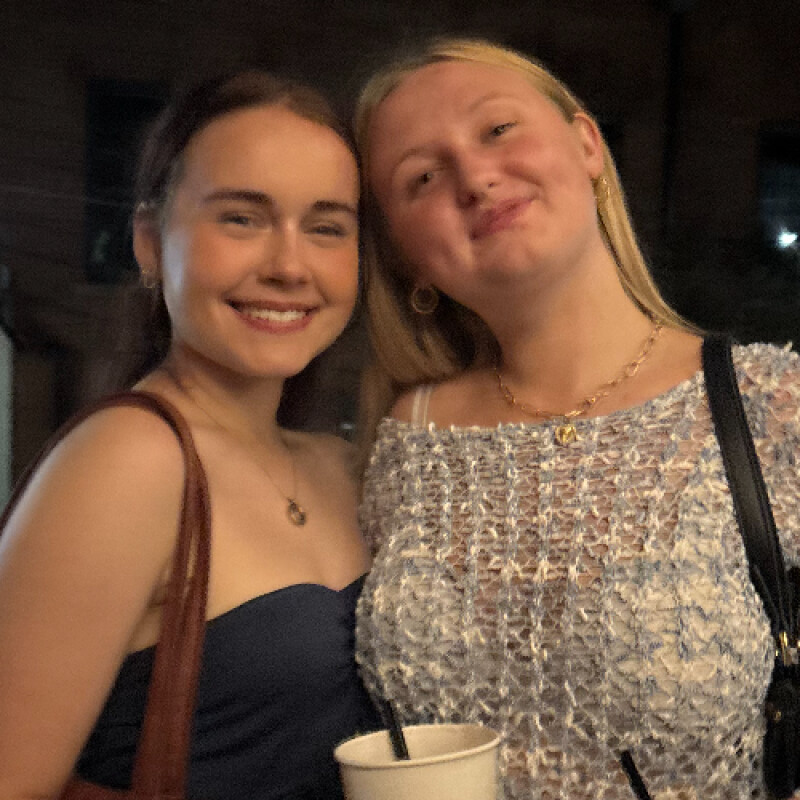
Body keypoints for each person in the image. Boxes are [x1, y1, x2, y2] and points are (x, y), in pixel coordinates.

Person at [352, 37, 800, 800]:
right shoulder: (404, 436)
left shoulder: (772, 405)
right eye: (421, 177)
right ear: (404, 255)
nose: (475, 177)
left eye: (498, 129)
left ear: (588, 144)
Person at [0, 70, 378, 800]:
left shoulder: (339, 465)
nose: (289, 266)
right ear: (149, 242)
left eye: (327, 227)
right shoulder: (130, 459)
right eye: (241, 219)